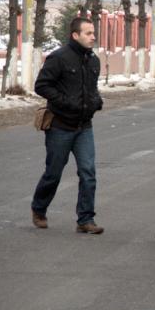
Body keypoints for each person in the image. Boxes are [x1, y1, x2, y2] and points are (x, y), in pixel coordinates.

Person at [31, 17, 104, 234]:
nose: (93, 37)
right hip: (60, 126)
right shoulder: (59, 58)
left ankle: (85, 219)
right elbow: (42, 85)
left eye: (93, 33)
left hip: (84, 127)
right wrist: (65, 102)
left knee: (88, 172)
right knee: (53, 172)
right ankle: (39, 208)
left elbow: (92, 89)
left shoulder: (93, 61)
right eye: (88, 33)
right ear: (75, 35)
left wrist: (96, 101)